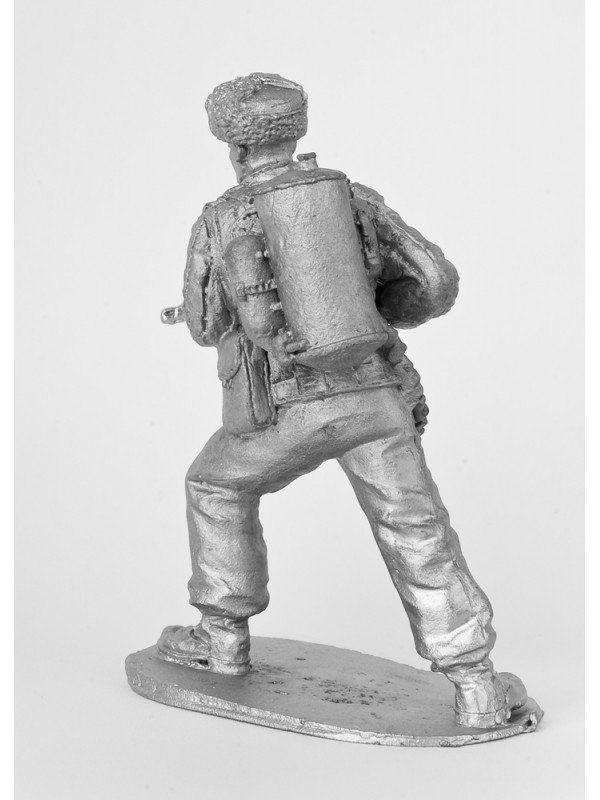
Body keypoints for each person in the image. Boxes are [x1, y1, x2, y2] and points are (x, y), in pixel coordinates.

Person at [157, 73, 526, 729]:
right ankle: (475, 684)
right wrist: (373, 316)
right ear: (296, 129)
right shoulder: (352, 197)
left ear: (235, 148)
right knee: (417, 531)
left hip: (288, 410)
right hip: (377, 397)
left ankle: (222, 639)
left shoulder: (222, 217)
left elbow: (206, 324)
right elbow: (435, 280)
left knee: (215, 486)